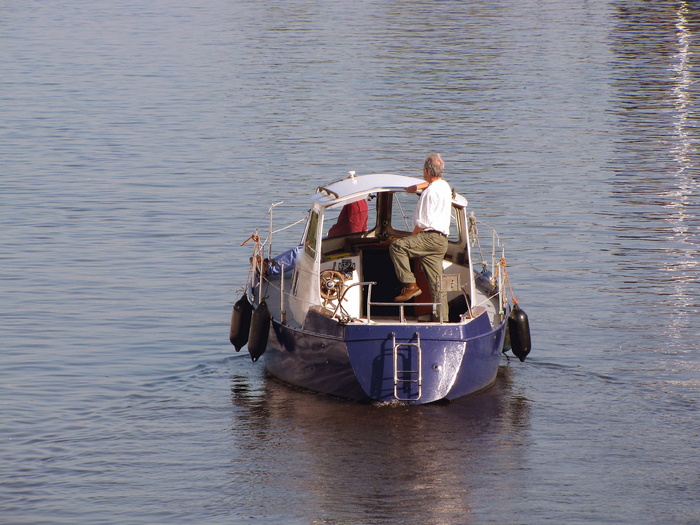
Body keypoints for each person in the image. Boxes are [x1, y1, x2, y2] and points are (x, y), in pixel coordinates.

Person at [389, 152, 451, 318]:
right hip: (441, 242)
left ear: (426, 171)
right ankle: (442, 320)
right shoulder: (444, 186)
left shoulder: (429, 194)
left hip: (428, 238)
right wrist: (417, 187)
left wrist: (410, 238)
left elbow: (421, 224)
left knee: (397, 247)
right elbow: (432, 184)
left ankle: (410, 285)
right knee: (438, 285)